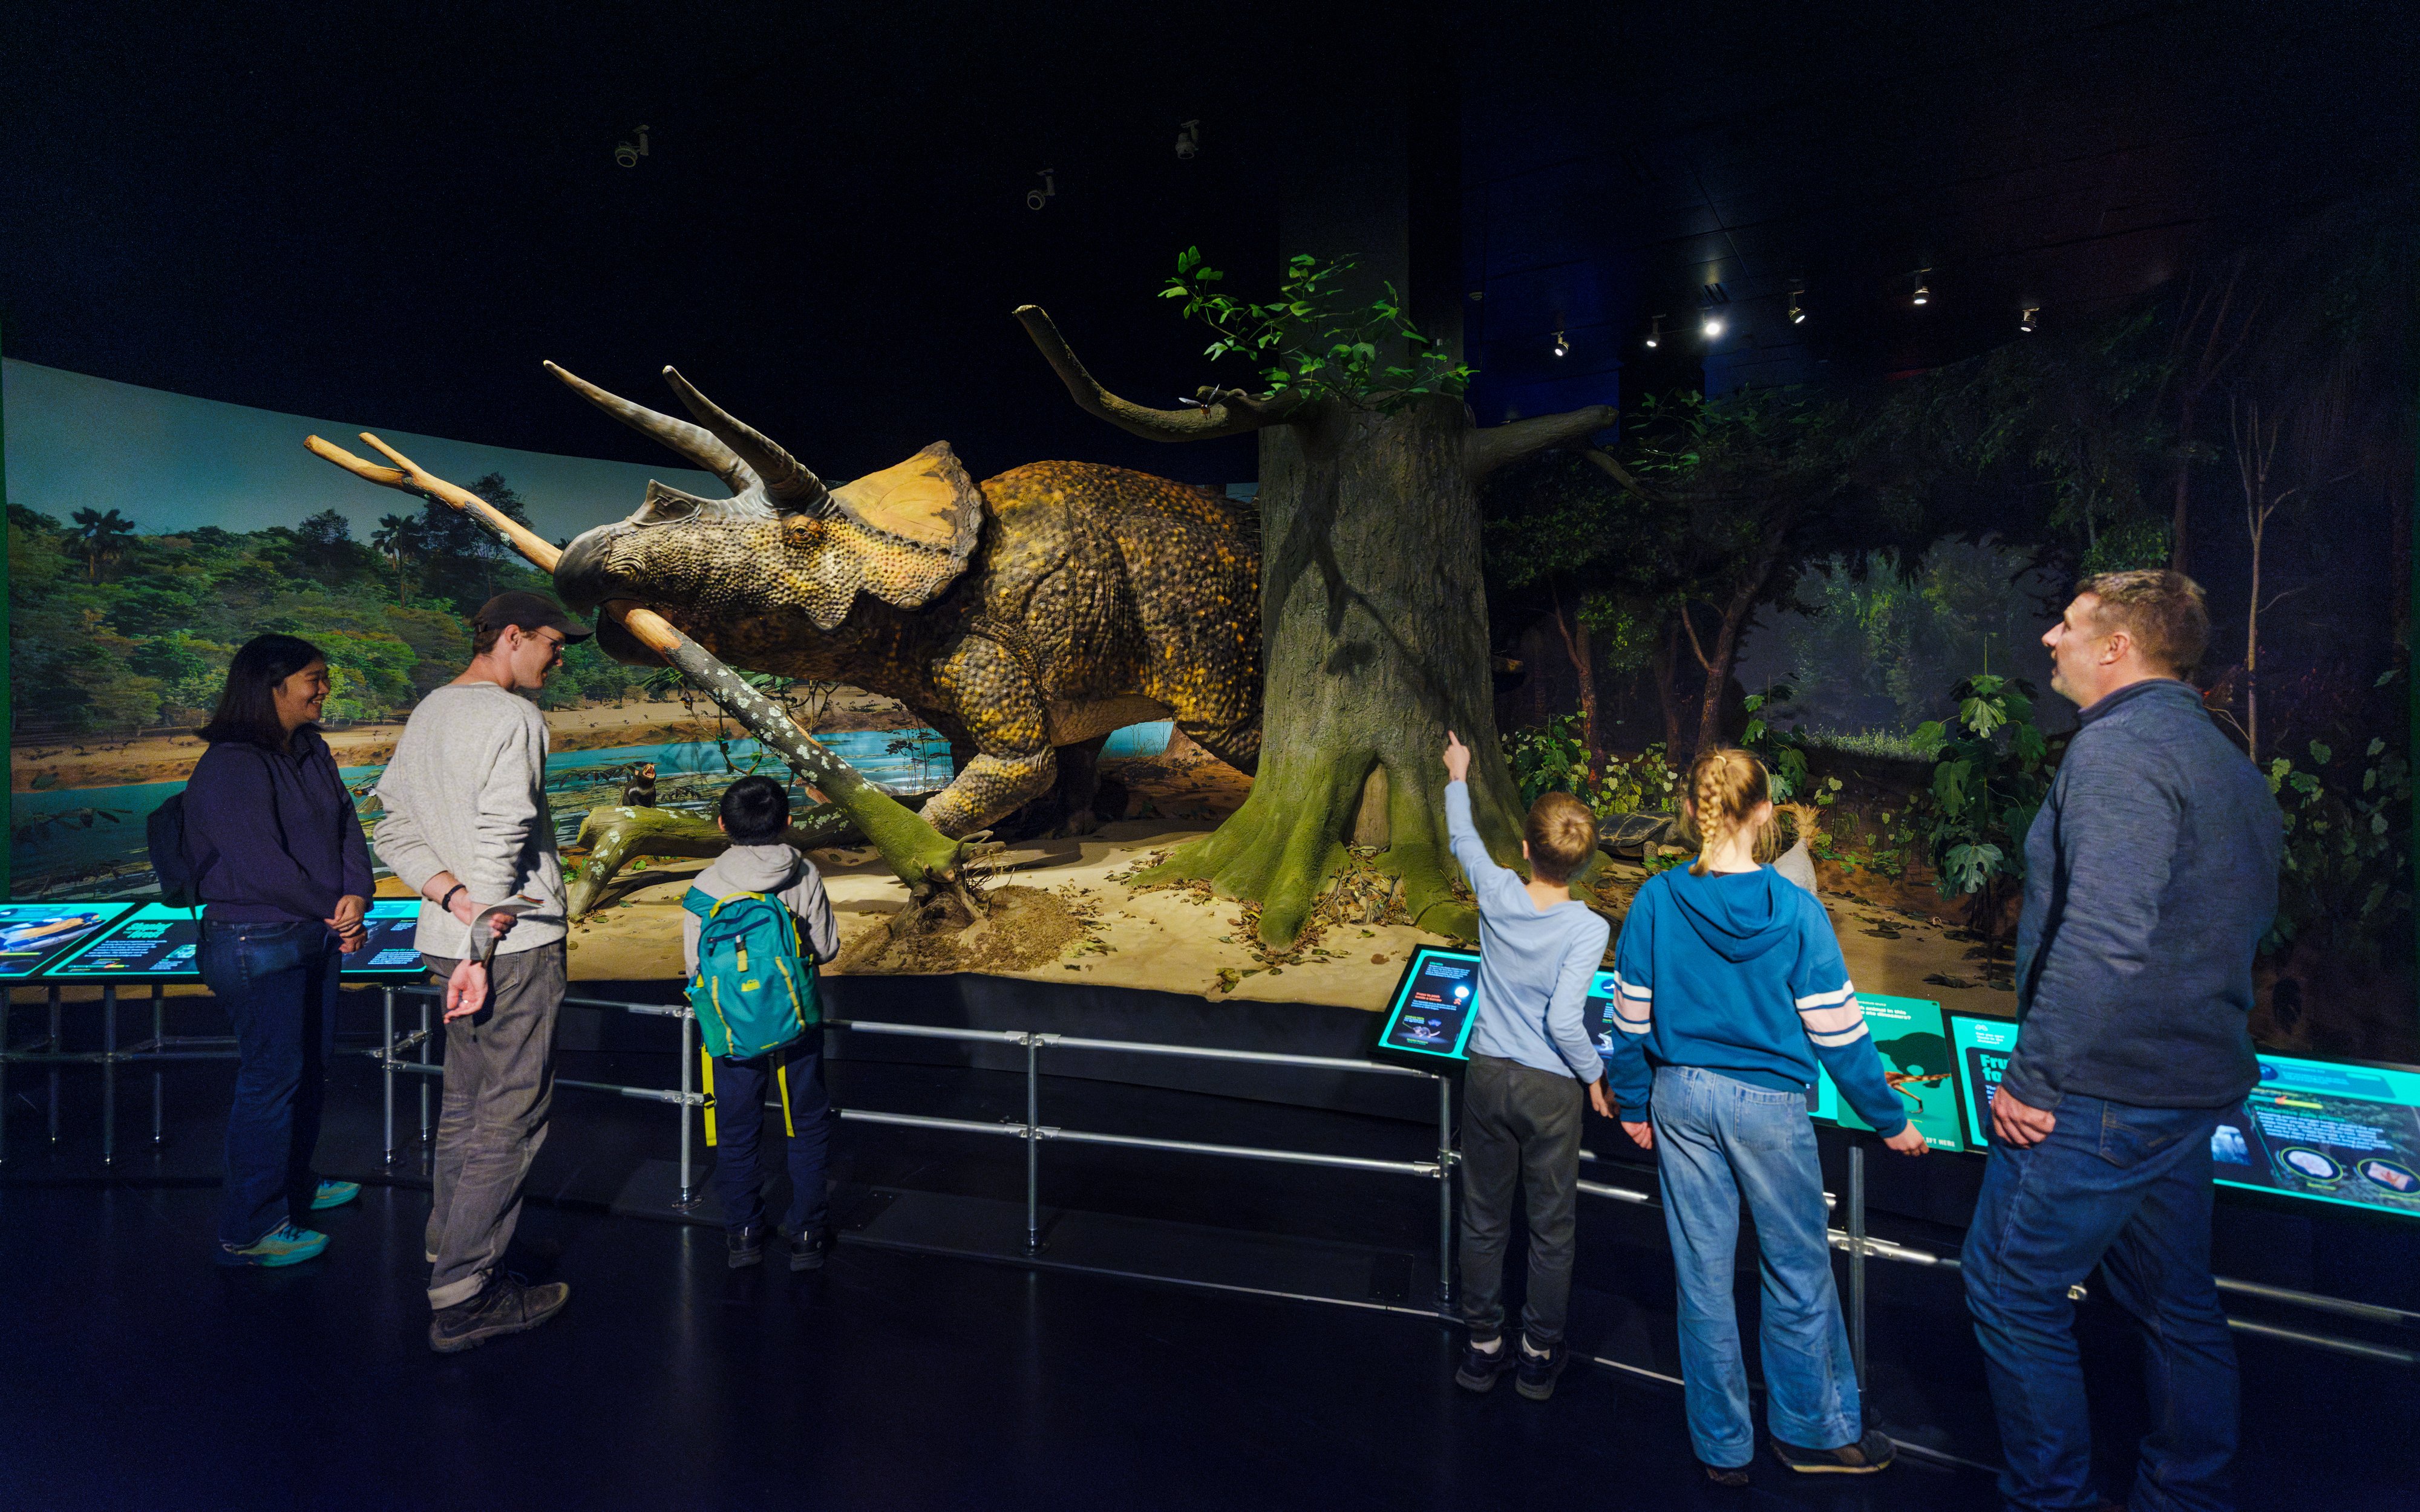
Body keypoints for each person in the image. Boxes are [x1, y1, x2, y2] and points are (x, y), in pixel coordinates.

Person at [1961, 570, 2281, 1512]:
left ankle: (2047, 1498)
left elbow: (2105, 932)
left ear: (2118, 648)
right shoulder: (2225, 759)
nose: (2050, 640)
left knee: (2011, 1291)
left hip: (2098, 1098)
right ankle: (2188, 1496)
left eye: (2068, 625)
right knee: (2177, 1308)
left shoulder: (2116, 755)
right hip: (2185, 1095)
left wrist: (2036, 1078)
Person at [1603, 746, 1925, 1486]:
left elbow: (1629, 1022)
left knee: (1703, 1276)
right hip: (1769, 1109)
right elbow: (1839, 1033)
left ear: (1691, 811)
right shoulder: (1796, 910)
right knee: (1798, 1271)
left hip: (1679, 1099)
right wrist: (1888, 1118)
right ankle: (1812, 1430)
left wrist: (1629, 1100)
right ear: (1766, 815)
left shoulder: (1654, 899)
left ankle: (1722, 1447)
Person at [374, 590, 589, 1354]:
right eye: (553, 644)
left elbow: (391, 823)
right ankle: (466, 1294)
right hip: (511, 945)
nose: (559, 658)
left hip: (449, 932)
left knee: (467, 1102)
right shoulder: (513, 718)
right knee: (512, 1113)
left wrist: (455, 902)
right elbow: (503, 832)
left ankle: (446, 1247)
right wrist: (484, 941)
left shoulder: (432, 709)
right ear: (510, 635)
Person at [186, 634, 374, 1266]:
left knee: (306, 1070)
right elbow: (262, 866)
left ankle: (293, 1184)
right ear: (272, 685)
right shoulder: (231, 763)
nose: (324, 688)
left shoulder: (311, 748)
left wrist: (356, 894)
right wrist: (333, 906)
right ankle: (250, 1226)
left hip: (310, 932)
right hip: (255, 941)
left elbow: (346, 821)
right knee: (271, 1081)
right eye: (313, 678)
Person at [1438, 731, 1612, 1403]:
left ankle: (1483, 1347)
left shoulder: (1497, 891)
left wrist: (1460, 773)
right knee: (1550, 1224)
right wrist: (1595, 1073)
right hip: (1549, 1089)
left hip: (1486, 1072)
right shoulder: (1588, 929)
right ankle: (1538, 1352)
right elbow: (1566, 1023)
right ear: (1586, 861)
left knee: (1483, 1216)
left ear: (1525, 850)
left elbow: (1464, 841)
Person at [681, 775, 840, 1271]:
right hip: (797, 1017)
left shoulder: (705, 887)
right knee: (808, 1122)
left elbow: (695, 967)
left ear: (723, 824)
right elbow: (827, 948)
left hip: (730, 1026)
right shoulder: (805, 873)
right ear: (788, 821)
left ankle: (744, 1234)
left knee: (736, 1128)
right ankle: (808, 1232)